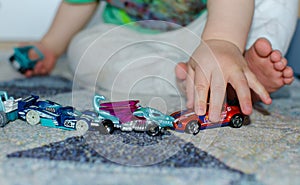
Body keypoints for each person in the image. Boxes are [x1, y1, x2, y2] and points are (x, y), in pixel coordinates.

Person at [23, 0, 298, 122]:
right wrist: (50, 45)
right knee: (84, 50)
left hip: (207, 30)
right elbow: (78, 2)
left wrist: (222, 42)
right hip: (133, 40)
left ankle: (242, 61)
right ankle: (196, 83)